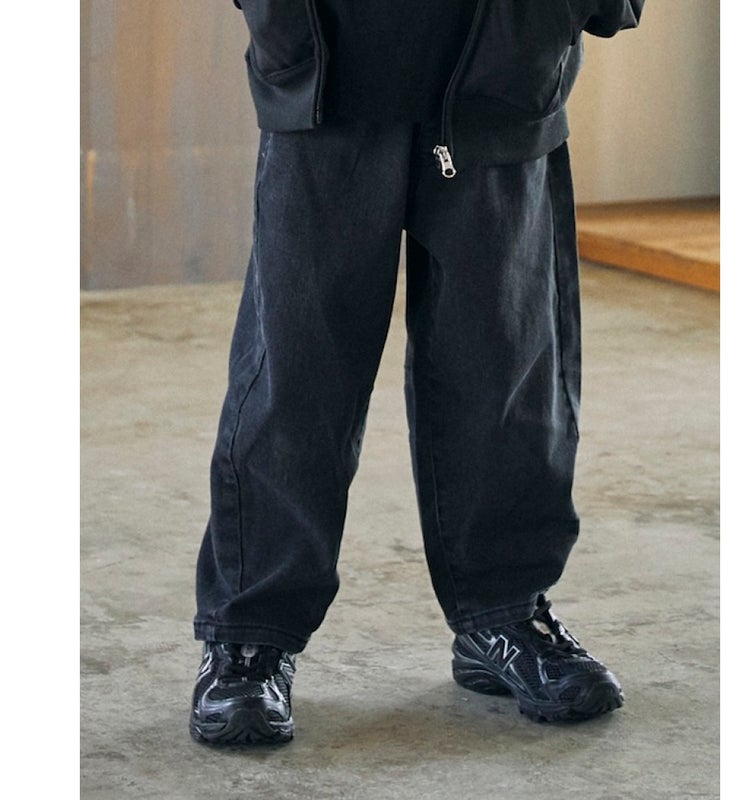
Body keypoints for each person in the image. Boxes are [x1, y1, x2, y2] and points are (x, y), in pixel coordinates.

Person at [190, 0, 644, 746]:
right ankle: (250, 635)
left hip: (502, 70)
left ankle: (503, 612)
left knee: (505, 369)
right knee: (295, 375)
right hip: (330, 67)